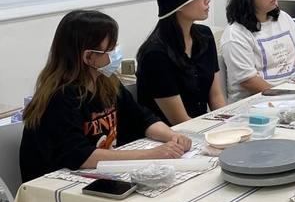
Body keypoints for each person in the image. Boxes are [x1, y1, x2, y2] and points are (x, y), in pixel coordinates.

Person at [20, 10, 191, 182]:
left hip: (99, 173)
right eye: (110, 49)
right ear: (88, 57)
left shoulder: (106, 82)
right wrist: (151, 154)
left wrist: (172, 136)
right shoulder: (60, 97)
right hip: (56, 183)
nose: (116, 52)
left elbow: (141, 118)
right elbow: (79, 156)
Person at [137, 0, 226, 125]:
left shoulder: (205, 35)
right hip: (169, 138)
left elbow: (216, 97)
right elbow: (180, 121)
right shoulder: (155, 54)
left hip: (203, 128)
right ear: (179, 5)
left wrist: (230, 126)